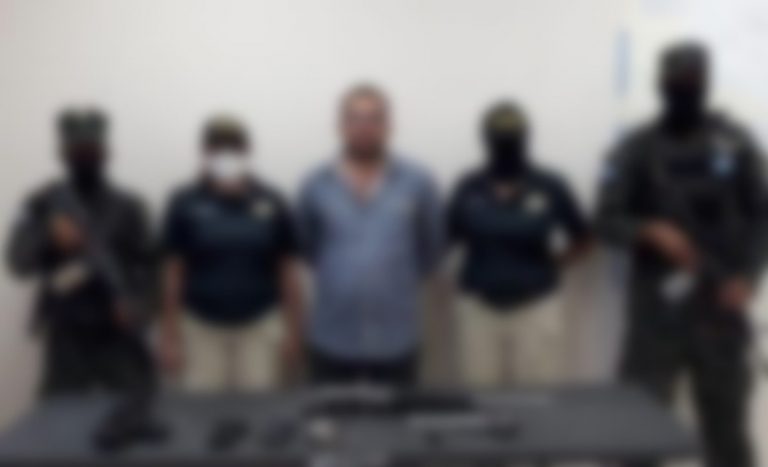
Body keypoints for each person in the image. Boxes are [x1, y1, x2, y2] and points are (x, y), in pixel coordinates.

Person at [596, 42, 767, 467]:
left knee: (727, 438)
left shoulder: (736, 143)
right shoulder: (636, 148)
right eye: (675, 81)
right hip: (656, 314)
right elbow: (604, 218)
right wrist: (648, 230)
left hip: (720, 309)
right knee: (636, 436)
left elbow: (763, 217)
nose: (683, 89)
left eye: (691, 81)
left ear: (705, 83)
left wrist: (748, 277)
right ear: (661, 84)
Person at [298, 84, 442, 386]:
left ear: (389, 126)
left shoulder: (417, 182)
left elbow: (430, 250)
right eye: (355, 118)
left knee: (399, 417)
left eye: (374, 118)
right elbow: (308, 249)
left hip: (395, 340)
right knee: (330, 414)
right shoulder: (316, 183)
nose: (364, 127)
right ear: (340, 126)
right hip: (333, 339)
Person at [5, 109, 155, 397]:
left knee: (130, 411)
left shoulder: (129, 206)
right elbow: (17, 263)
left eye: (92, 150)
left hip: (117, 332)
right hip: (67, 335)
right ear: (63, 153)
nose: (85, 157)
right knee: (63, 416)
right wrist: (48, 237)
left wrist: (137, 303)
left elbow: (149, 266)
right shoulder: (41, 203)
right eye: (77, 151)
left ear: (106, 152)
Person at [447, 101, 590, 388]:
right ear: (485, 139)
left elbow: (585, 237)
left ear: (526, 138)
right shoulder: (469, 186)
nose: (506, 145)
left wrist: (556, 263)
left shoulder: (550, 184)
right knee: (479, 397)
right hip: (478, 309)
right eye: (498, 138)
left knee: (537, 400)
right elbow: (446, 237)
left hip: (536, 307)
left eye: (513, 138)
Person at [158, 116, 303, 392]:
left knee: (259, 410)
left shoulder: (271, 200)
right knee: (203, 412)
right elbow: (173, 272)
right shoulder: (184, 201)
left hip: (260, 328)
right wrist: (169, 337)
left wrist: (294, 333)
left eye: (234, 149)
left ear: (246, 152)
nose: (226, 156)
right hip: (201, 329)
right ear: (205, 153)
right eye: (217, 149)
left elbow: (287, 271)